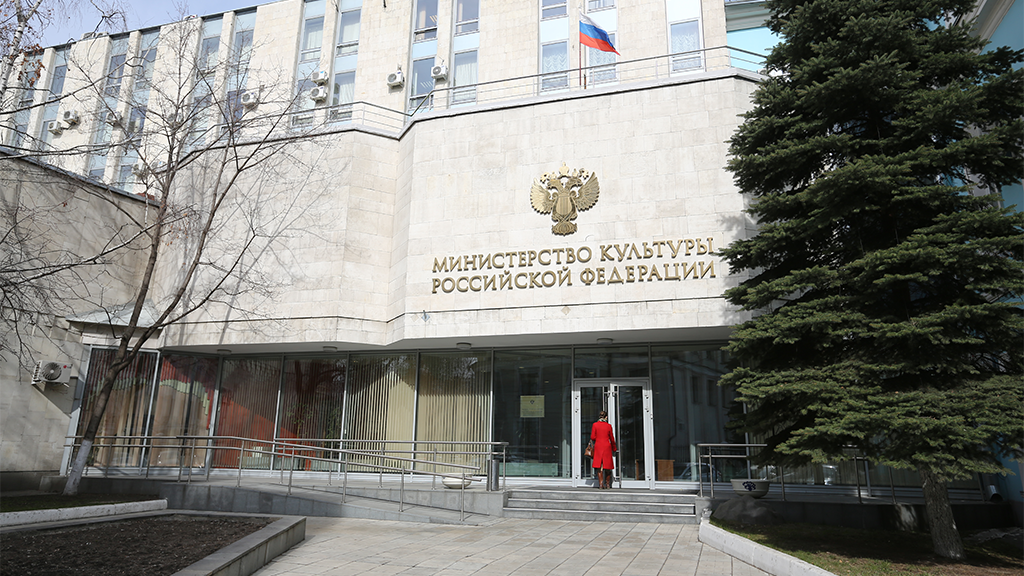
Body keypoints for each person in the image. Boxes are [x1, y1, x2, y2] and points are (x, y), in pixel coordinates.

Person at [590, 410, 616, 489]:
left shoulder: (595, 425)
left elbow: (592, 437)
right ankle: (607, 484)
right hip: (606, 446)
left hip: (598, 446)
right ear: (606, 417)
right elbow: (612, 438)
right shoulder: (608, 426)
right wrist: (614, 448)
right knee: (607, 465)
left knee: (599, 466)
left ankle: (601, 484)